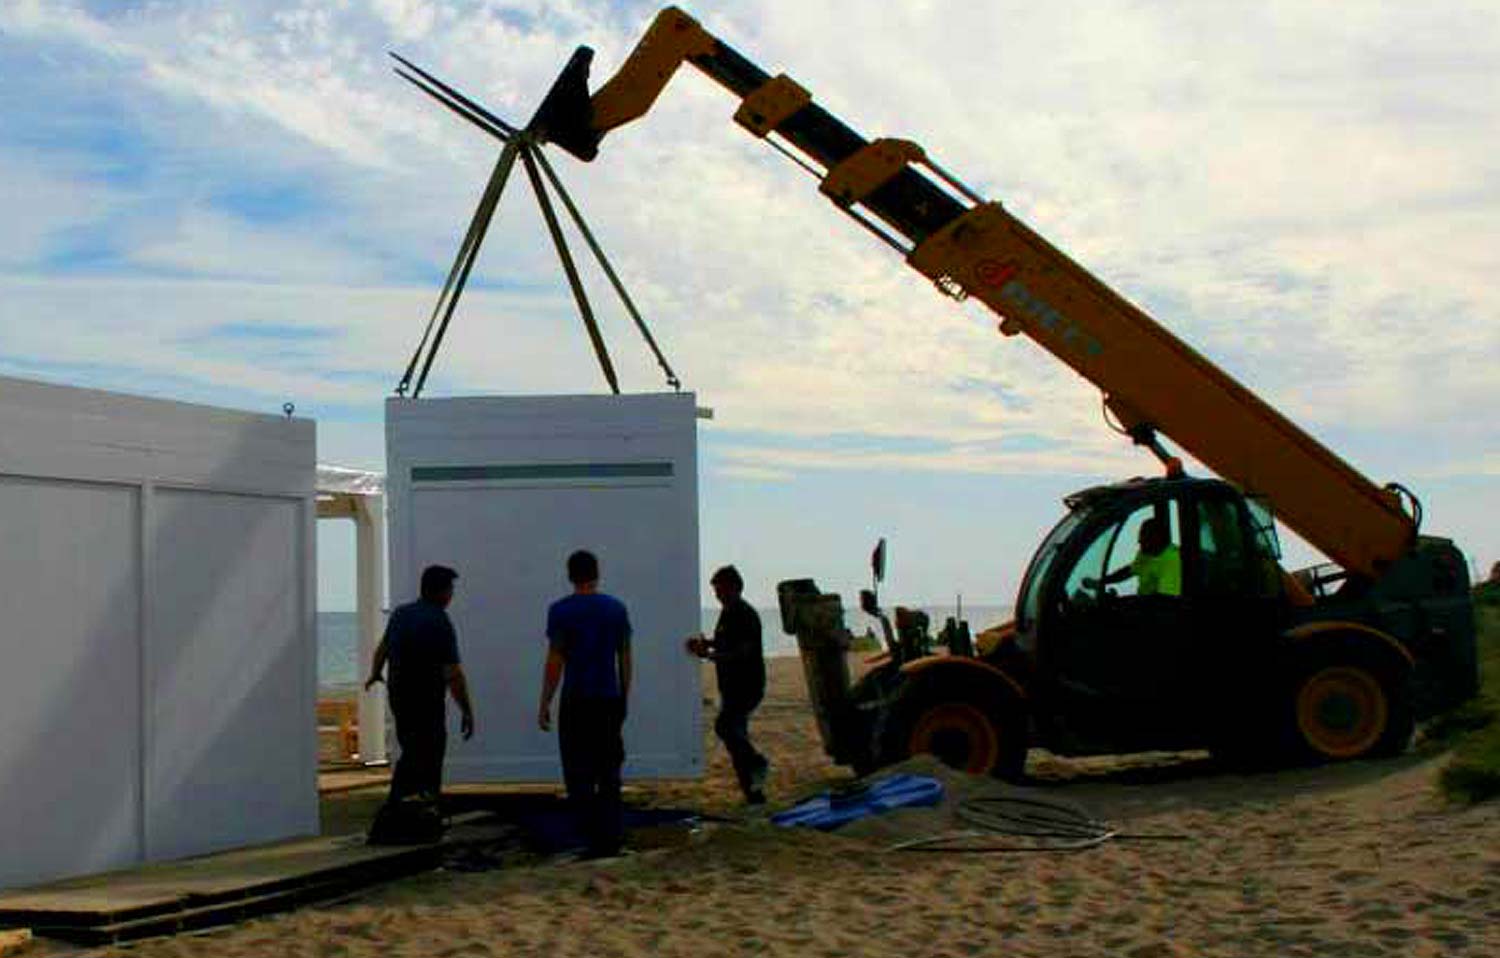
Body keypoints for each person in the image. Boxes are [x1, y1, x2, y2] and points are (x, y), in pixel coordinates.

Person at [538, 550, 633, 858]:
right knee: (608, 769)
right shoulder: (616, 609)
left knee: (578, 769)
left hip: (576, 697)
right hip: (607, 696)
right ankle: (611, 836)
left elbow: (556, 660)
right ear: (597, 573)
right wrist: (624, 696)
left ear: (570, 575)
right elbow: (625, 656)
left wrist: (545, 700)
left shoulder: (561, 611)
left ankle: (587, 835)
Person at [365, 564, 475, 803]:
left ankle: (405, 804)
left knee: (411, 748)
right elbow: (453, 673)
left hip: (399, 697)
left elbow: (382, 649)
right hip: (426, 699)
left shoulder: (401, 614)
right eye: (450, 590)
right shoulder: (440, 621)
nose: (452, 595)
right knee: (430, 752)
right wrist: (466, 710)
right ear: (441, 592)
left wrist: (375, 673)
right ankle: (420, 804)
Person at [687, 565, 770, 804]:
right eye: (716, 591)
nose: (718, 595)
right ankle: (753, 792)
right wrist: (708, 644)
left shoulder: (745, 614)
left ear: (735, 588)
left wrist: (708, 655)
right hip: (731, 687)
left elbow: (742, 652)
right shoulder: (728, 612)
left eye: (721, 590)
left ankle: (756, 763)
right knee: (735, 736)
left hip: (747, 685)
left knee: (725, 726)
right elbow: (725, 641)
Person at [1084, 517, 1182, 597]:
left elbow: (1164, 600)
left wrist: (1124, 603)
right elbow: (1129, 571)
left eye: (1144, 537)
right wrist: (1100, 582)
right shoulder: (1147, 552)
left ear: (1158, 539)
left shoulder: (1172, 560)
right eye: (1140, 536)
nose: (1139, 541)